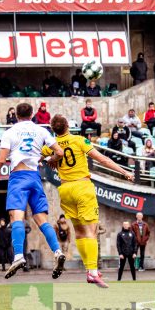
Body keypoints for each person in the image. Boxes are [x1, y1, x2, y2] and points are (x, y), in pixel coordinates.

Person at [0, 103, 65, 280]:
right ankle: (57, 251)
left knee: (16, 217)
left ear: (16, 115)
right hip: (35, 178)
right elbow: (60, 152)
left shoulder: (10, 132)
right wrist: (47, 159)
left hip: (18, 178)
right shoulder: (41, 130)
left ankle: (18, 256)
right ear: (32, 114)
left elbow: (1, 160)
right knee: (41, 220)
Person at [42, 114, 133, 287]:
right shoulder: (78, 140)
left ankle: (89, 269)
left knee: (80, 232)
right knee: (91, 230)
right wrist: (124, 172)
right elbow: (103, 159)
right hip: (82, 188)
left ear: (53, 130)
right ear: (68, 125)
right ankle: (92, 272)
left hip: (65, 190)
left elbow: (40, 157)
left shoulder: (51, 145)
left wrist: (51, 159)